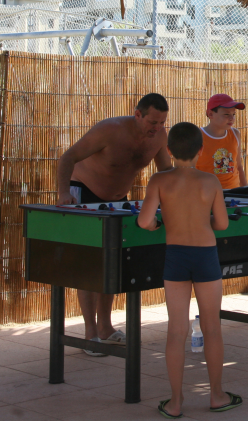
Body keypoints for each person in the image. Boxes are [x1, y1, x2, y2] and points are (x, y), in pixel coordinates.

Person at [138, 122, 242, 418]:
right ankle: (217, 395)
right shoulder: (211, 182)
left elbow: (145, 221)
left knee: (176, 331)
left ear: (168, 150)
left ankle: (175, 402)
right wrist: (202, 222)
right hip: (206, 256)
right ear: (201, 150)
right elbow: (221, 224)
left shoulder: (159, 180)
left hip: (176, 257)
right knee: (212, 328)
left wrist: (160, 223)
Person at [56, 93, 172, 355]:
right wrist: (64, 192)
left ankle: (106, 328)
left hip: (119, 201)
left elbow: (165, 171)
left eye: (162, 122)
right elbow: (67, 157)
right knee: (90, 264)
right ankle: (90, 334)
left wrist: (177, 193)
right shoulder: (109, 130)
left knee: (113, 264)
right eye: (152, 122)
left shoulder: (159, 137)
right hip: (84, 193)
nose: (156, 128)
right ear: (137, 114)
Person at [197, 93, 248, 319]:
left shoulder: (235, 134)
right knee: (214, 253)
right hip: (207, 202)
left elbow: (239, 167)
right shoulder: (199, 136)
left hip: (236, 199)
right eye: (226, 114)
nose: (231, 118)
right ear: (209, 113)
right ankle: (212, 306)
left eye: (233, 115)